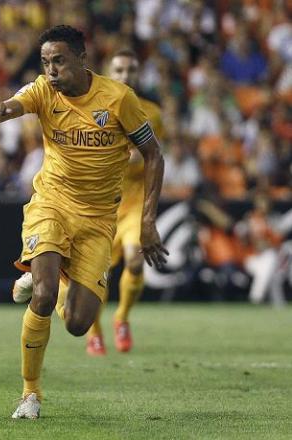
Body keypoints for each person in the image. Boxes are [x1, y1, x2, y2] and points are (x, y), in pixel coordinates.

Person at [0, 25, 168, 419]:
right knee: (43, 296)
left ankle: (59, 281)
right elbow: (15, 104)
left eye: (59, 61)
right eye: (46, 62)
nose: (51, 70)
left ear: (82, 59)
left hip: (100, 218)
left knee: (79, 325)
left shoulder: (119, 99)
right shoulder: (43, 91)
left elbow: (153, 154)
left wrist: (148, 220)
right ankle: (30, 394)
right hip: (51, 204)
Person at [84, 48, 167, 355]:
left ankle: (121, 318)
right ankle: (94, 332)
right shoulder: (93, 110)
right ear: (108, 74)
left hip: (132, 205)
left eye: (131, 70)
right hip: (100, 207)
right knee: (97, 276)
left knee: (135, 260)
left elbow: (155, 158)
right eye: (119, 70)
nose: (125, 76)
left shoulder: (152, 113)